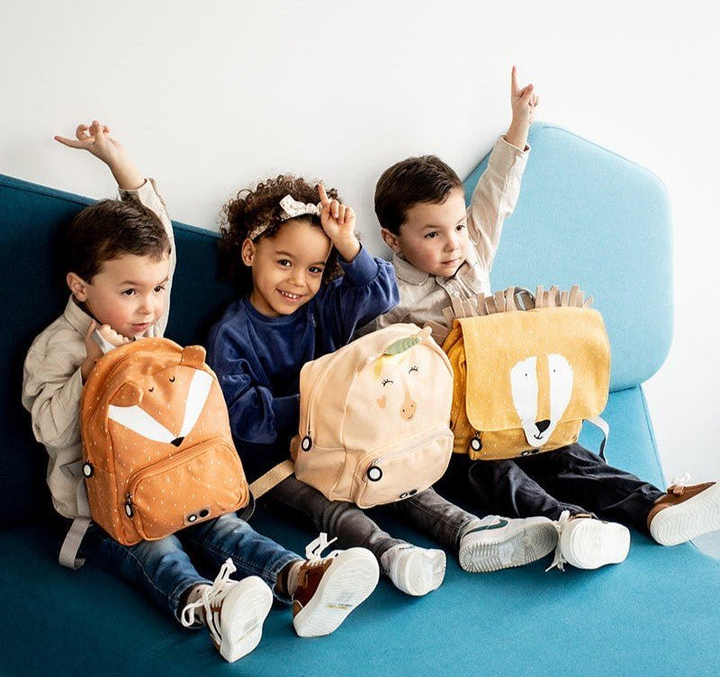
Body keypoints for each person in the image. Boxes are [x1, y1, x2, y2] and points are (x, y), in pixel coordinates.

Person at [22, 121, 379, 664]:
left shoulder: (147, 320)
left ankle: (299, 577)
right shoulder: (57, 349)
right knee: (157, 547)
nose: (148, 306)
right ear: (80, 287)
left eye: (158, 289)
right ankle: (207, 602)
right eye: (130, 291)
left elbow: (157, 229)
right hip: (101, 507)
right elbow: (48, 428)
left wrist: (117, 159)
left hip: (179, 480)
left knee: (225, 522)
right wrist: (92, 372)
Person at [365, 67, 720, 570]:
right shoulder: (385, 289)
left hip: (517, 410)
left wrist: (519, 124)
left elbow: (495, 195)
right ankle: (569, 524)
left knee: (566, 454)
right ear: (393, 238)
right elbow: (374, 355)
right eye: (432, 235)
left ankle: (653, 505)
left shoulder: (472, 255)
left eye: (458, 227)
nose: (452, 244)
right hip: (459, 434)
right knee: (494, 473)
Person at [206, 173, 558, 598]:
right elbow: (244, 416)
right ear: (249, 252)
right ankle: (391, 554)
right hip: (275, 459)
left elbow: (383, 291)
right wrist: (323, 404)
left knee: (390, 472)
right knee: (328, 504)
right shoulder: (231, 333)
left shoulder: (323, 305)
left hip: (343, 437)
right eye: (285, 262)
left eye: (314, 268)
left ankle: (467, 529)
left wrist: (348, 243)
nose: (298, 281)